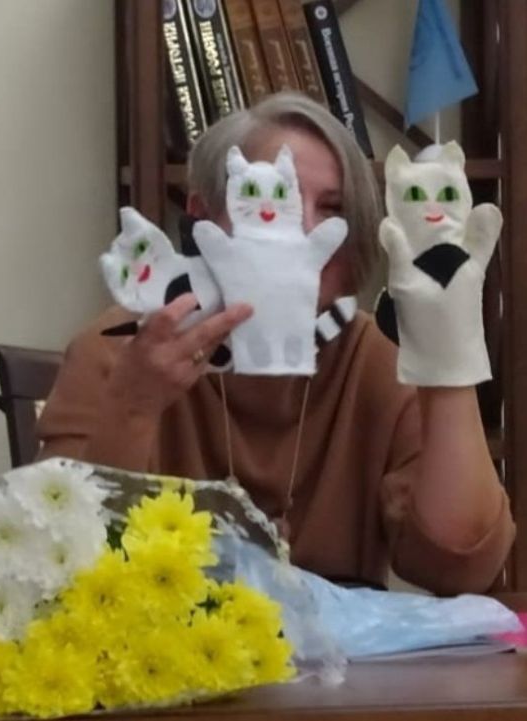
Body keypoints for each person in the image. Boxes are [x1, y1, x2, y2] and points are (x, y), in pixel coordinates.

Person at [37, 92, 514, 596]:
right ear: (203, 218)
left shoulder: (376, 358)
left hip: (340, 646)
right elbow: (52, 561)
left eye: (331, 209)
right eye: (277, 196)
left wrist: (446, 362)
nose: (301, 227)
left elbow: (460, 565)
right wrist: (134, 405)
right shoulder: (119, 349)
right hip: (157, 633)